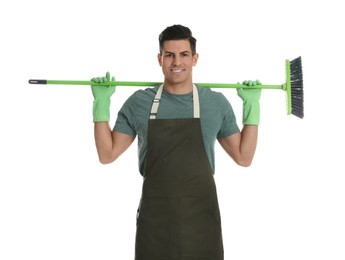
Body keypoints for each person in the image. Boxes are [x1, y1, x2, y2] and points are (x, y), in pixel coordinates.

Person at [91, 24, 261, 260]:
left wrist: (251, 108)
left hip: (202, 218)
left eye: (184, 55)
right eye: (169, 55)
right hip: (156, 220)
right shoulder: (140, 102)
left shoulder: (215, 103)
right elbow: (107, 154)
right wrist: (101, 105)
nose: (176, 62)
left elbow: (244, 157)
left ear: (195, 58)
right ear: (159, 58)